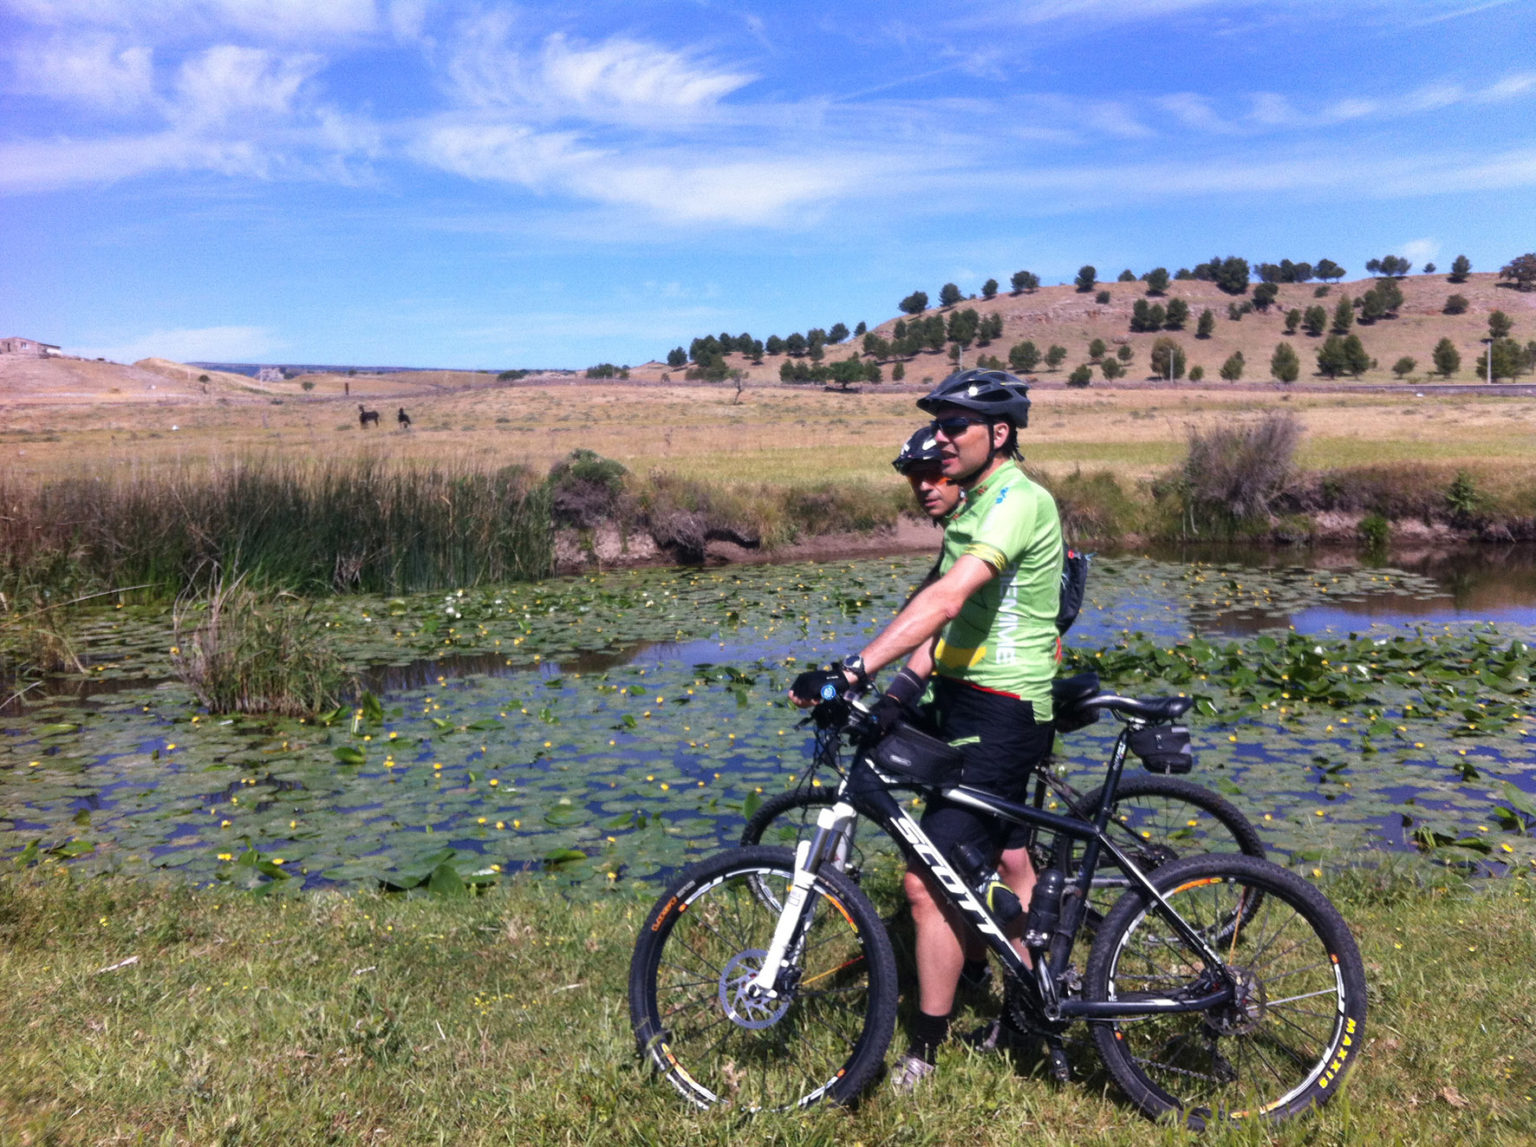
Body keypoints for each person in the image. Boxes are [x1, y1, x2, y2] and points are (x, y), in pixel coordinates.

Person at [790, 368, 1062, 1090]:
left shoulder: (1017, 501)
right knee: (1007, 862)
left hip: (1005, 706)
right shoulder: (975, 503)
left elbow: (949, 600)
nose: (940, 441)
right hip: (965, 700)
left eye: (955, 427)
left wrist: (855, 667)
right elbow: (941, 627)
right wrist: (892, 693)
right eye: (936, 427)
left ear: (999, 434)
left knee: (925, 883)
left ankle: (924, 1052)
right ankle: (1029, 992)